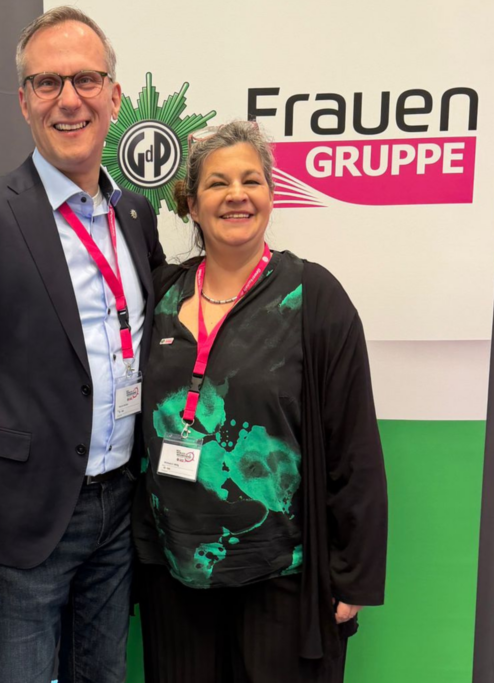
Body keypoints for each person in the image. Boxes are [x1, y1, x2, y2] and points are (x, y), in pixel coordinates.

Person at [0, 7, 165, 682]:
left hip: (120, 509)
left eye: (86, 79)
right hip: (23, 523)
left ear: (114, 95)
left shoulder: (134, 214)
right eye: (47, 83)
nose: (68, 99)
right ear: (24, 102)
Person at [132, 121, 388, 683]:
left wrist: (352, 575)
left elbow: (353, 445)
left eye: (251, 180)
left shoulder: (313, 297)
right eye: (218, 183)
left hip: (280, 575)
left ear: (271, 196)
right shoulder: (161, 294)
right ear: (191, 204)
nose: (237, 195)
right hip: (173, 572)